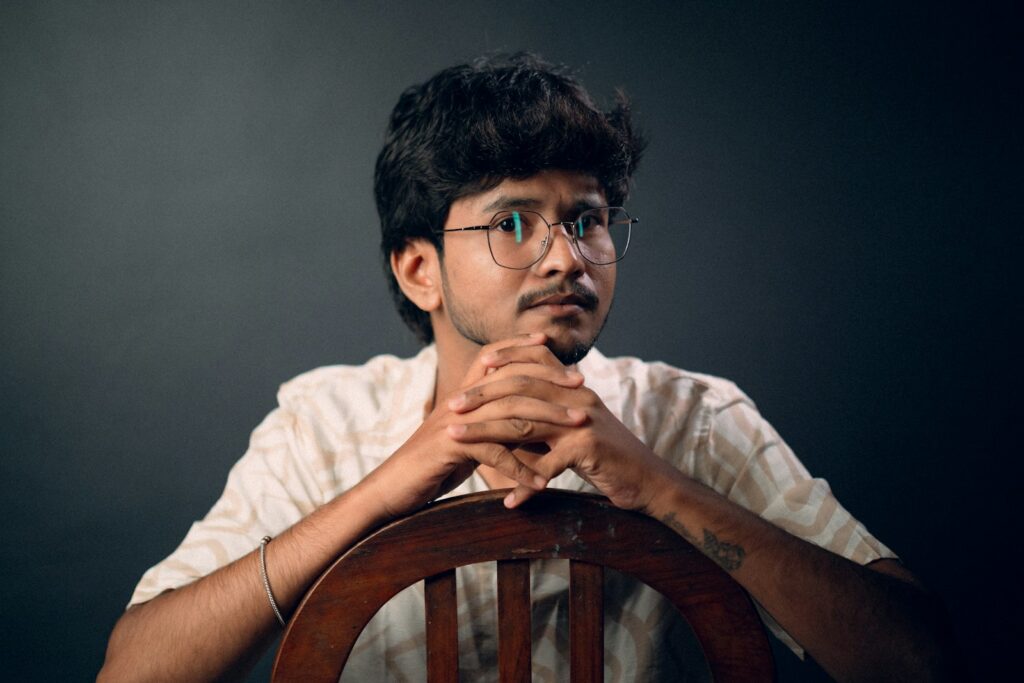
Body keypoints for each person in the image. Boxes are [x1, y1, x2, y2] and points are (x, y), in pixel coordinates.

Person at [99, 53, 954, 681]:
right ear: (417, 268)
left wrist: (655, 482)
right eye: (512, 223)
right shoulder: (322, 423)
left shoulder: (693, 415)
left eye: (587, 220)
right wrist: (386, 490)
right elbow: (131, 672)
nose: (566, 257)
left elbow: (927, 662)